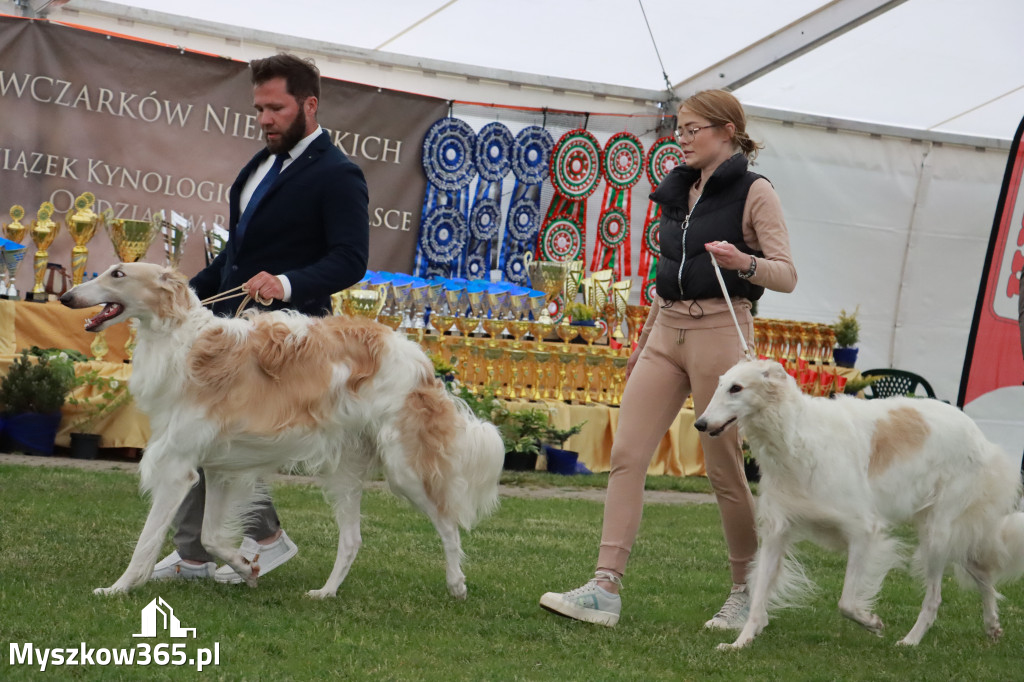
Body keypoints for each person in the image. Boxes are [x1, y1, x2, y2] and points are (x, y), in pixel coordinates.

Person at [539, 90, 797, 628]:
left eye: (692, 128)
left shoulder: (756, 191)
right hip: (665, 333)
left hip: (722, 333)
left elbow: (786, 274)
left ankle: (747, 590)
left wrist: (741, 261)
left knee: (724, 470)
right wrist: (645, 340)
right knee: (627, 454)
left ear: (727, 130)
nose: (681, 137)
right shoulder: (679, 189)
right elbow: (667, 273)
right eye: (678, 128)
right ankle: (605, 587)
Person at [152, 53, 369, 582]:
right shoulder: (258, 165)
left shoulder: (340, 174)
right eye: (259, 109)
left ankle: (239, 544)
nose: (265, 119)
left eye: (276, 108)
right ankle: (211, 550)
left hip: (288, 339)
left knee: (217, 435)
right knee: (214, 435)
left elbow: (350, 258)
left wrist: (286, 284)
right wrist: (183, 295)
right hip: (233, 328)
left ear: (309, 104)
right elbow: (235, 260)